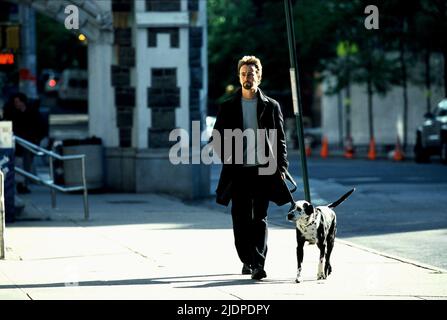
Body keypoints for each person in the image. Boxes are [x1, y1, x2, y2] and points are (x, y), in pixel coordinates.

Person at [211, 56, 293, 280]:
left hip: (263, 170)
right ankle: (247, 259)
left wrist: (282, 165)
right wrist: (226, 155)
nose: (247, 78)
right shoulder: (228, 107)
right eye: (243, 74)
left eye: (251, 73)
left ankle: (258, 263)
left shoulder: (271, 106)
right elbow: (216, 138)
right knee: (240, 218)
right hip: (238, 172)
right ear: (239, 77)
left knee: (260, 217)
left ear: (259, 76)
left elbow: (280, 140)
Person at [2, 92, 44, 194]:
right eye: (15, 102)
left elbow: (38, 125)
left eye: (19, 101)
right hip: (17, 142)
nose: (17, 104)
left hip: (29, 141)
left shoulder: (31, 111)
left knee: (27, 164)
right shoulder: (11, 111)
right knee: (18, 163)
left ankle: (24, 183)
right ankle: (20, 184)